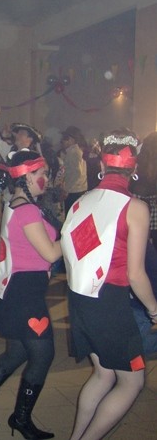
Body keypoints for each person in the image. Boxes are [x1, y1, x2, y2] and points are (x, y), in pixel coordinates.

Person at [61, 130, 157, 440]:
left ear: (102, 166)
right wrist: (154, 310)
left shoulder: (81, 202)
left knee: (103, 375)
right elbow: (135, 274)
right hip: (110, 305)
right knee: (132, 382)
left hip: (79, 301)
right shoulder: (135, 207)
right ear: (134, 168)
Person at [0, 150, 61, 439]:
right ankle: (20, 419)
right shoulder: (27, 211)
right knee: (43, 355)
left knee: (17, 352)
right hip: (26, 292)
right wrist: (74, 233)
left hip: (21, 288)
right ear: (27, 177)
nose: (46, 179)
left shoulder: (16, 204)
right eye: (42, 174)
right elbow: (50, 253)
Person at [60, 126, 88, 214]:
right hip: (78, 190)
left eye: (65, 138)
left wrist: (66, 190)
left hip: (74, 192)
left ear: (71, 140)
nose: (63, 141)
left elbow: (77, 172)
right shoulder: (76, 151)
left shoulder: (73, 153)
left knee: (71, 216)